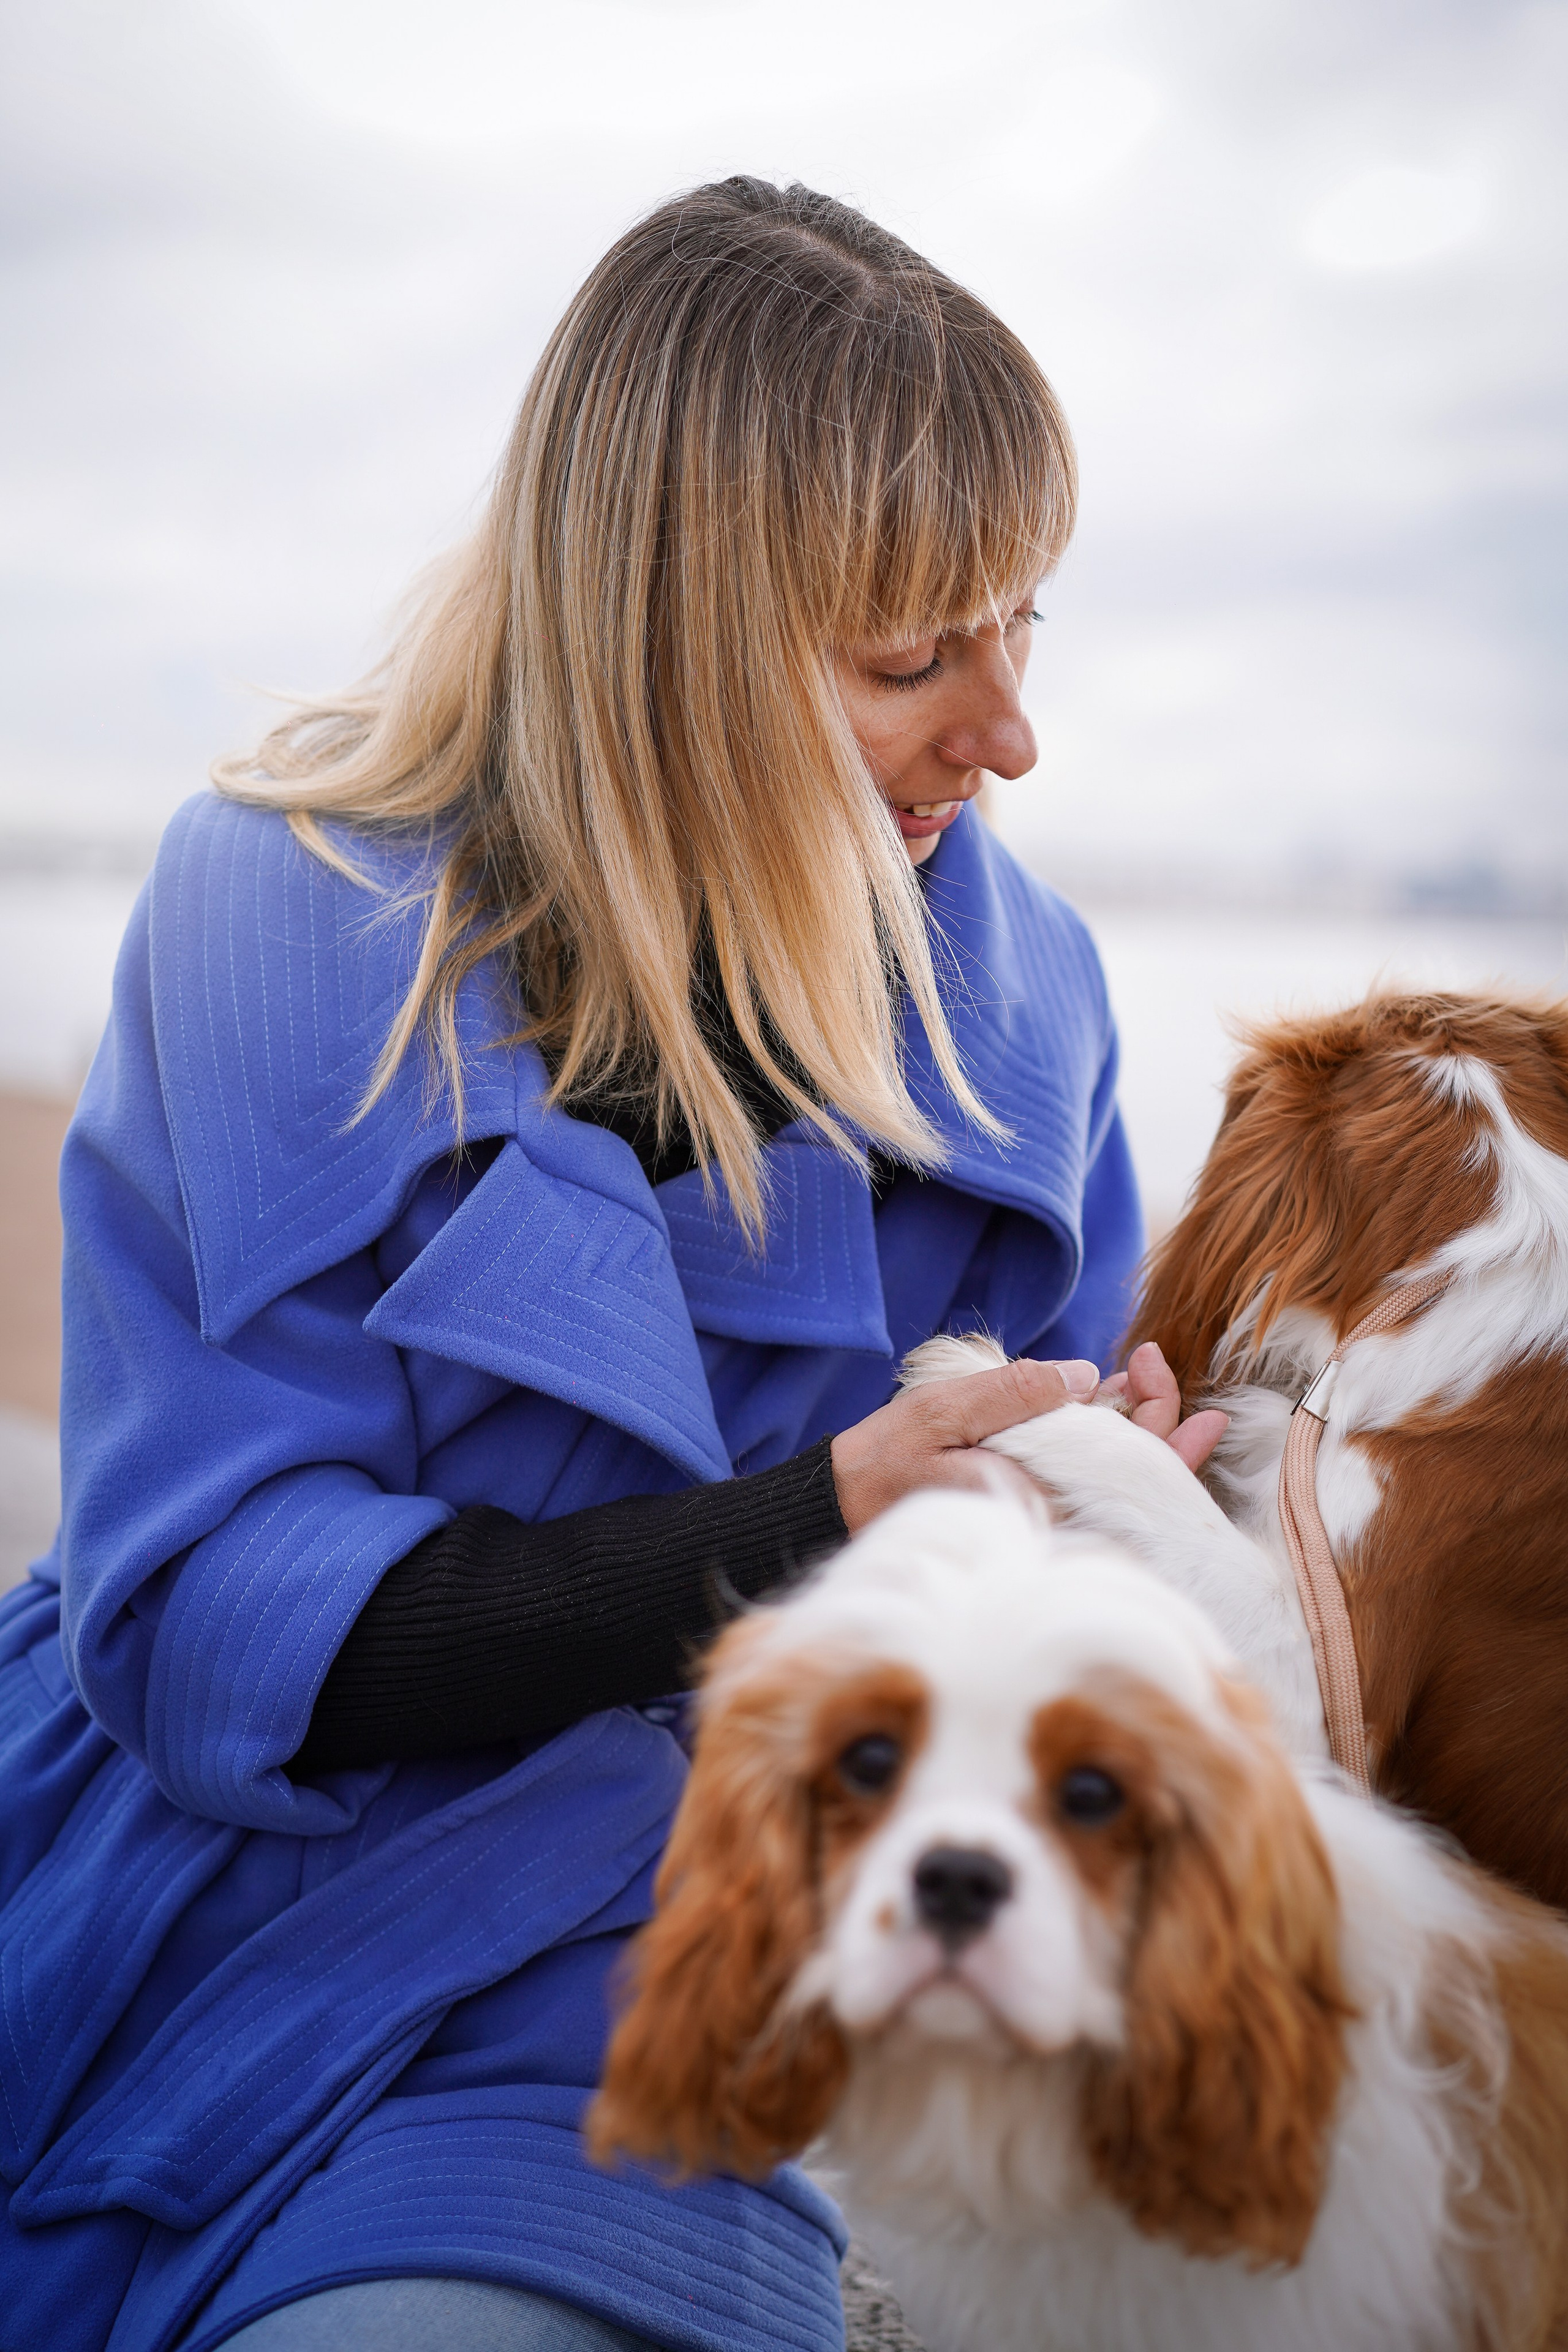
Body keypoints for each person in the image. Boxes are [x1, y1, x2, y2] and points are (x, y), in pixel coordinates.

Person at [0, 179, 1219, 2351]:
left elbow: (1001, 1644)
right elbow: (197, 1627)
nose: (1008, 734)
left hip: (675, 1971)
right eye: (910, 653)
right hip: (229, 1879)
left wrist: (1109, 1515)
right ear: (674, 634)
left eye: (1023, 622)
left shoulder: (1027, 1011)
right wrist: (816, 1515)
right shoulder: (283, 919)